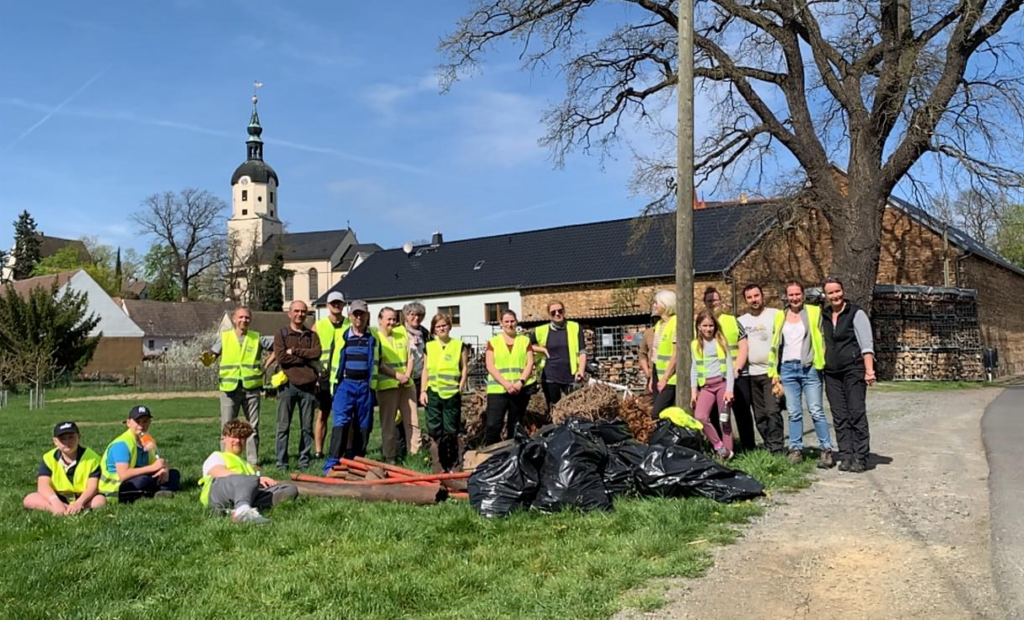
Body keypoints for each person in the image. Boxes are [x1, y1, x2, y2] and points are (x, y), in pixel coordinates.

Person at [323, 300, 402, 470]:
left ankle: (357, 460)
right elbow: (330, 361)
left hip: (365, 387)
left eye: (362, 314)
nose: (359, 317)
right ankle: (333, 462)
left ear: (367, 316)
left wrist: (398, 375)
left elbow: (379, 363)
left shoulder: (373, 338)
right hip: (345, 385)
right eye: (355, 314)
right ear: (350, 316)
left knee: (364, 425)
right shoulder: (341, 336)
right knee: (341, 423)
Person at [768, 282, 835, 468]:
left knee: (816, 410)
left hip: (809, 368)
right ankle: (795, 449)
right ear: (786, 297)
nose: (795, 298)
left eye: (798, 294)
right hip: (787, 369)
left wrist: (818, 360)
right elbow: (775, 345)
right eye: (791, 295)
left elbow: (820, 337)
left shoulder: (814, 312)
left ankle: (826, 449)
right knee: (794, 412)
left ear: (803, 295)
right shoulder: (780, 317)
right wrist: (774, 371)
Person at [203, 306, 274, 466]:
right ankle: (225, 461)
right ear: (234, 319)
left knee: (253, 426)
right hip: (229, 388)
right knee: (227, 426)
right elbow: (211, 356)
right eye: (240, 317)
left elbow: (276, 349)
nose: (244, 320)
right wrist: (206, 358)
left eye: (247, 318)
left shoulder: (257, 337)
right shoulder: (225, 337)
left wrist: (265, 366)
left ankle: (252, 461)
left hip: (251, 387)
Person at [822, 277, 876, 473]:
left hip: (853, 369)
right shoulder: (825, 315)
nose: (835, 296)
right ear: (826, 295)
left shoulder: (856, 313)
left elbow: (866, 344)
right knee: (839, 415)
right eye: (830, 293)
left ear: (842, 291)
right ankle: (846, 454)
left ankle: (860, 456)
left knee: (856, 412)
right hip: (832, 373)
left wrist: (869, 371)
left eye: (837, 291)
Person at [199, 419, 298, 524]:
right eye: (234, 436)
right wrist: (254, 479)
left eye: (241, 437)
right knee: (249, 480)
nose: (237, 440)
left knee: (290, 489)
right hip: (218, 492)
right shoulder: (217, 456)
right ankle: (243, 511)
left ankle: (237, 511)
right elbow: (217, 472)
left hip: (244, 495)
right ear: (224, 438)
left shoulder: (247, 465)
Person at [737, 284, 786, 453]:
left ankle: (777, 448)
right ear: (745, 300)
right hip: (751, 374)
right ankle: (768, 445)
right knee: (760, 415)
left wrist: (779, 371)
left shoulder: (775, 315)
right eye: (750, 297)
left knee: (773, 411)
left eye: (756, 296)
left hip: (771, 373)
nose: (754, 300)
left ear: (762, 296)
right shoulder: (741, 321)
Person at [273, 300, 321, 470]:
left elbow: (316, 353)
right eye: (296, 311)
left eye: (303, 311)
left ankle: (304, 461)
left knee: (306, 427)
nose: (300, 314)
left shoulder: (312, 335)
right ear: (289, 313)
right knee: (283, 426)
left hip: (308, 387)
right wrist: (305, 357)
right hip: (288, 387)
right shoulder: (282, 334)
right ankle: (281, 463)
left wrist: (294, 351)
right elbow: (281, 358)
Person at [99, 405, 181, 502]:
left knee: (174, 474)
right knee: (144, 481)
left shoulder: (147, 439)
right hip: (116, 487)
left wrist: (164, 469)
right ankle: (163, 490)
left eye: (145, 421)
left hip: (140, 476)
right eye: (137, 422)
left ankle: (159, 492)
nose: (141, 425)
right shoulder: (122, 444)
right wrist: (153, 468)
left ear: (150, 422)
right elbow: (123, 474)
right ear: (128, 423)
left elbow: (157, 462)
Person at [420, 312, 469, 471]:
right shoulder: (429, 346)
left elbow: (464, 368)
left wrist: (460, 388)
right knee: (434, 428)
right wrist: (423, 390)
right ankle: (438, 462)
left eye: (444, 325)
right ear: (434, 329)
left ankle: (452, 462)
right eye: (438, 326)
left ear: (449, 326)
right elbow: (425, 371)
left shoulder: (458, 345)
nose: (442, 328)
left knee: (451, 429)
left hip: (451, 394)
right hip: (433, 392)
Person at [703, 286, 751, 450]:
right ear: (705, 303)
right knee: (715, 414)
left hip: (737, 375)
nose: (713, 303)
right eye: (709, 301)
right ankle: (720, 448)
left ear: (721, 301)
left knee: (742, 412)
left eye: (715, 300)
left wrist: (737, 368)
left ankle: (748, 448)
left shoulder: (732, 321)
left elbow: (743, 346)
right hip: (714, 378)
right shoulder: (702, 324)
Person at [23, 421, 106, 515]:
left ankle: (72, 509)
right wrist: (55, 502)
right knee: (29, 499)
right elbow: (43, 485)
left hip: (83, 497)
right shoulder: (48, 458)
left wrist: (79, 502)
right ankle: (60, 508)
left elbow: (93, 487)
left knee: (99, 501)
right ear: (55, 442)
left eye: (71, 437)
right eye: (63, 439)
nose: (67, 442)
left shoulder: (92, 458)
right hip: (58, 496)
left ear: (79, 437)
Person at [483, 309, 535, 445]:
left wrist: (520, 382)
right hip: (498, 390)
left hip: (520, 389)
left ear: (516, 322)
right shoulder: (493, 342)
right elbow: (490, 365)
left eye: (512, 321)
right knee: (493, 425)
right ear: (501, 323)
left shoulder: (524, 341)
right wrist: (506, 384)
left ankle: (512, 454)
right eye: (506, 321)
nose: (510, 324)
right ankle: (490, 455)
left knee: (515, 424)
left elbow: (529, 363)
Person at [689, 310, 736, 460]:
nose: (708, 329)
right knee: (700, 416)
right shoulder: (695, 344)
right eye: (705, 325)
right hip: (706, 387)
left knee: (724, 420)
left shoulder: (721, 342)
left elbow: (729, 367)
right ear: (699, 327)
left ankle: (728, 453)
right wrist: (693, 390)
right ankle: (718, 445)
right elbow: (694, 367)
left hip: (722, 384)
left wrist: (730, 389)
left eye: (711, 325)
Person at [375, 307, 416, 464]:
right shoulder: (376, 337)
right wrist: (397, 375)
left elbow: (410, 356)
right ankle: (389, 457)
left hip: (406, 384)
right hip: (387, 385)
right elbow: (379, 362)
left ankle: (415, 455)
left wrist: (406, 375)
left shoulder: (402, 333)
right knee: (389, 425)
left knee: (412, 422)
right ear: (380, 320)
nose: (392, 322)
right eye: (388, 319)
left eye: (394, 319)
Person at [529, 300, 587, 409]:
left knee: (576, 408)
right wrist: (541, 349)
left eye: (560, 311)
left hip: (571, 376)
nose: (557, 314)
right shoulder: (540, 330)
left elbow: (582, 351)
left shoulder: (575, 327)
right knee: (554, 409)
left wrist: (581, 371)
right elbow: (526, 345)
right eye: (553, 312)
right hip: (550, 376)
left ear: (564, 311)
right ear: (549, 314)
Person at [313, 291, 349, 459]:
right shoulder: (319, 325)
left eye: (339, 303)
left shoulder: (349, 325)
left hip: (343, 377)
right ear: (327, 305)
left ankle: (346, 449)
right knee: (323, 414)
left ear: (343, 305)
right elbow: (311, 352)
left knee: (345, 415)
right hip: (324, 377)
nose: (336, 306)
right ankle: (319, 451)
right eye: (333, 303)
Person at [396, 301, 429, 455]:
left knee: (415, 416)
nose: (416, 318)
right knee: (401, 416)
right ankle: (400, 447)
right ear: (406, 316)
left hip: (420, 376)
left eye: (419, 315)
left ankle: (417, 448)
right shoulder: (399, 332)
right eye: (412, 315)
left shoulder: (425, 333)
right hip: (403, 378)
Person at [651, 289, 679, 417]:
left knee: (657, 413)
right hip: (658, 374)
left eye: (657, 303)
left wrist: (665, 378)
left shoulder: (676, 323)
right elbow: (656, 353)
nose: (654, 305)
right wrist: (653, 377)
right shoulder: (660, 324)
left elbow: (676, 354)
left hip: (671, 378)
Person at [637, 310, 658, 396]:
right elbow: (642, 354)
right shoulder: (648, 334)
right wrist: (648, 373)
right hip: (653, 374)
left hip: (669, 374)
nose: (657, 321)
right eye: (655, 319)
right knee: (647, 402)